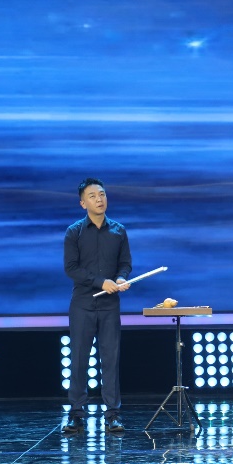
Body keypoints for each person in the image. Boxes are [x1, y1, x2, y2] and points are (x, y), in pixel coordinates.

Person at [62, 178, 132, 435]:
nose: (99, 199)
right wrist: (100, 281)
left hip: (109, 305)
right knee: (79, 360)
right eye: (92, 196)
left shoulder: (119, 231)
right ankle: (76, 414)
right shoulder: (74, 232)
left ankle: (113, 414)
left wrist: (121, 278)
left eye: (102, 194)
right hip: (83, 304)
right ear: (83, 203)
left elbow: (125, 263)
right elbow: (71, 268)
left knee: (110, 360)